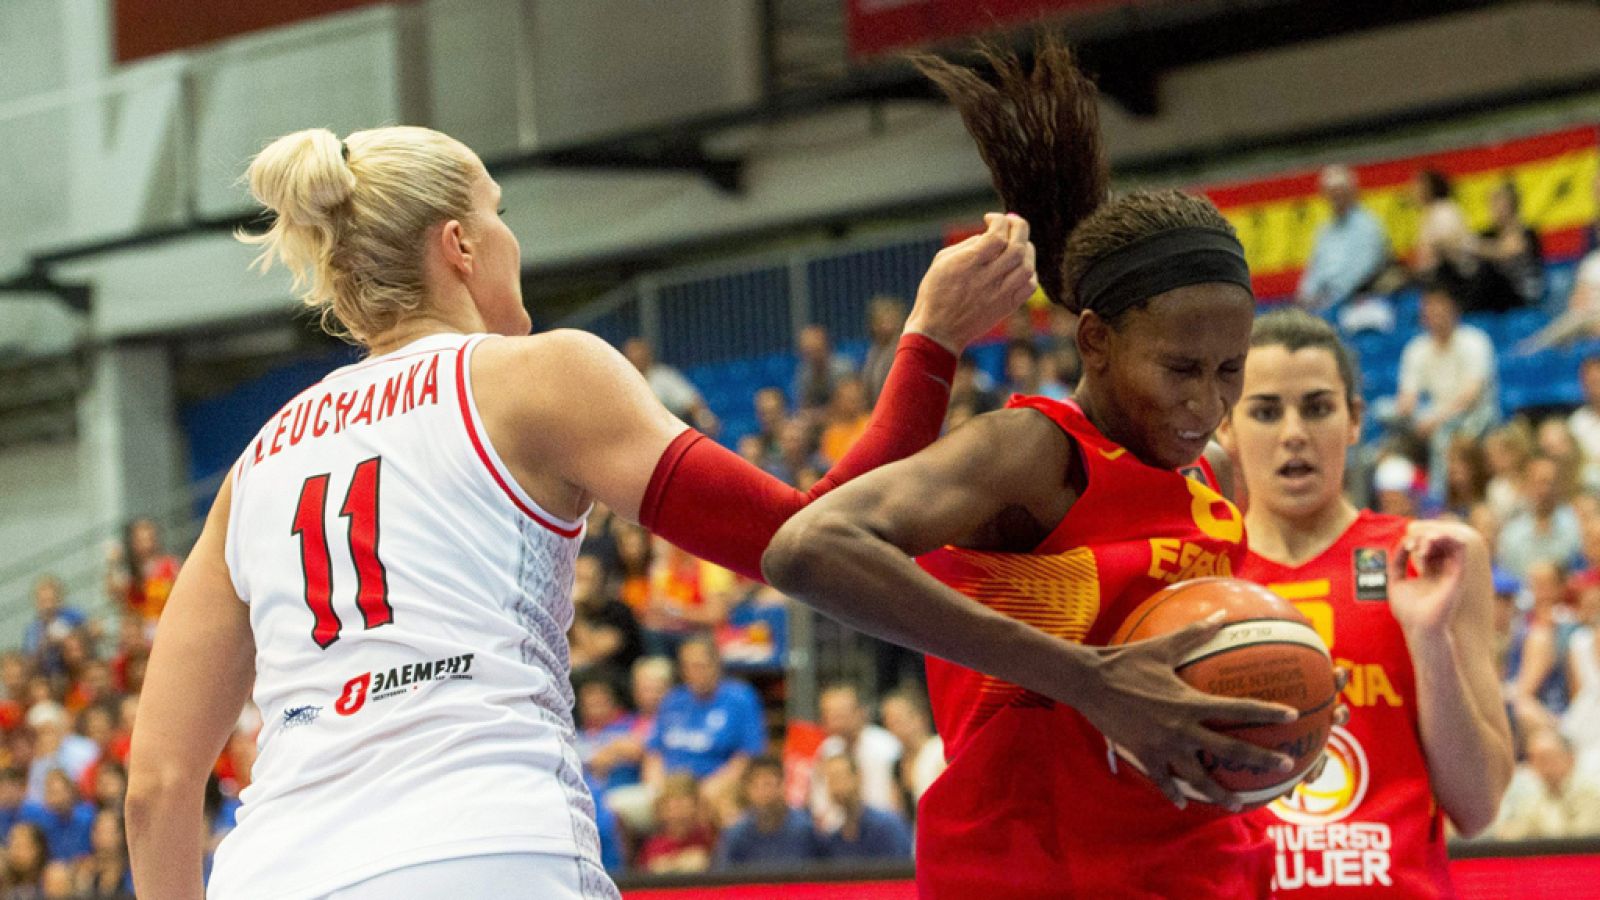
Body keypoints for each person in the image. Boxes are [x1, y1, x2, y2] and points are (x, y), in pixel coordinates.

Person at [123, 123, 1067, 900]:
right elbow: (807, 537)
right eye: (500, 213)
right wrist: (930, 341)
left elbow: (159, 789)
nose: (510, 239)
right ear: (459, 244)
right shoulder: (538, 376)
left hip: (275, 871)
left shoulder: (253, 469)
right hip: (485, 847)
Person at [766, 37, 1318, 898]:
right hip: (1029, 871)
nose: (1207, 405)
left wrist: (1281, 712)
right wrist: (1086, 681)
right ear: (1095, 341)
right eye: (1179, 369)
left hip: (1202, 869)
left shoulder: (1211, 481)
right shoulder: (1031, 453)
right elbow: (806, 547)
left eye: (1228, 371)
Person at [1216, 308, 1512, 896]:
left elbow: (1477, 810)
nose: (1294, 431)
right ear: (1225, 427)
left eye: (1318, 407)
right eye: (1267, 411)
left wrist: (1428, 640)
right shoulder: (1196, 573)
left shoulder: (1436, 558)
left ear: (1354, 421)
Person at [1392, 285, 1498, 499]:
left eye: (1441, 310)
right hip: (1432, 414)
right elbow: (1407, 396)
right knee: (1382, 415)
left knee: (1442, 437)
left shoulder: (1474, 341)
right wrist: (1405, 412)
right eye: (1430, 311)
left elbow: (1470, 396)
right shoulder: (1416, 349)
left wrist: (1435, 419)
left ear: (1454, 311)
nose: (1435, 316)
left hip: (1475, 416)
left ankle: (1438, 500)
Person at [1296, 165, 1390, 316]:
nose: (1335, 197)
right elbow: (1314, 269)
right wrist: (1305, 295)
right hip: (1322, 301)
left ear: (1352, 192)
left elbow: (1361, 273)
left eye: (1340, 191)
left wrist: (1328, 298)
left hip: (1358, 300)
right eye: (1331, 192)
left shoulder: (1368, 226)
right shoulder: (1324, 230)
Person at [808, 683, 903, 830]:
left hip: (880, 828)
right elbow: (820, 802)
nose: (836, 721)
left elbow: (891, 803)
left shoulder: (886, 747)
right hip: (838, 833)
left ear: (861, 712)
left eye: (841, 714)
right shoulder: (827, 749)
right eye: (830, 714)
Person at [713, 755, 821, 869]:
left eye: (768, 784)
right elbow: (723, 878)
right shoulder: (736, 834)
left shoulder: (806, 829)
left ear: (782, 786)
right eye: (755, 785)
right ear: (747, 790)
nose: (762, 793)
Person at [814, 755, 912, 861]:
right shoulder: (833, 840)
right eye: (830, 780)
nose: (836, 787)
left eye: (840, 777)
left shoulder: (887, 826)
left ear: (858, 777)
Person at [622, 337, 718, 435]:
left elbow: (691, 402)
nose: (635, 357)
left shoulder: (664, 377)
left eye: (639, 353)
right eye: (631, 354)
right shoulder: (621, 380)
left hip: (668, 434)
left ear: (648, 356)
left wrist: (705, 420)